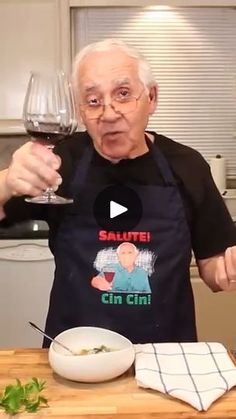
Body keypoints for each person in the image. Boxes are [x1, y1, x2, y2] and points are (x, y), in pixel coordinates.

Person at [0, 38, 236, 346]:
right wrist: (6, 181)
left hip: (165, 357)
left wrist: (228, 270)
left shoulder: (187, 165)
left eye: (123, 94)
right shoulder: (59, 161)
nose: (108, 113)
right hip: (76, 357)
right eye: (93, 100)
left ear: (151, 98)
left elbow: (212, 266)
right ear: (80, 111)